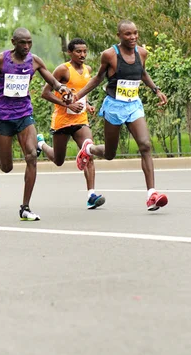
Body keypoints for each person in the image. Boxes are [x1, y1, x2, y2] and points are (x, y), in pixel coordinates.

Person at [0, 27, 72, 221]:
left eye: (29, 42)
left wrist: (62, 89)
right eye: (22, 42)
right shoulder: (1, 59)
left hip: (24, 113)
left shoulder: (34, 61)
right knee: (6, 167)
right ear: (13, 42)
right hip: (2, 117)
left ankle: (25, 207)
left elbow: (53, 82)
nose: (26, 46)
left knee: (31, 156)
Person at [74, 20, 169, 211]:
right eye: (128, 34)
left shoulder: (142, 53)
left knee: (145, 145)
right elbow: (97, 78)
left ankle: (151, 194)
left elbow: (142, 73)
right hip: (114, 107)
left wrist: (156, 89)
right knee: (110, 154)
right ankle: (89, 149)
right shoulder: (109, 55)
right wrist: (77, 96)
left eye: (135, 33)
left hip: (134, 105)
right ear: (119, 35)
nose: (133, 37)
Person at [39, 38, 105, 210]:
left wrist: (87, 104)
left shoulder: (88, 70)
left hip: (80, 120)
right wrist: (67, 104)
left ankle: (91, 195)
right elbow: (45, 93)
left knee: (88, 150)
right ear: (70, 52)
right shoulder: (63, 70)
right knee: (58, 160)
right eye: (78, 52)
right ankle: (41, 144)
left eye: (85, 51)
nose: (82, 55)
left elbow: (82, 92)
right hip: (62, 120)